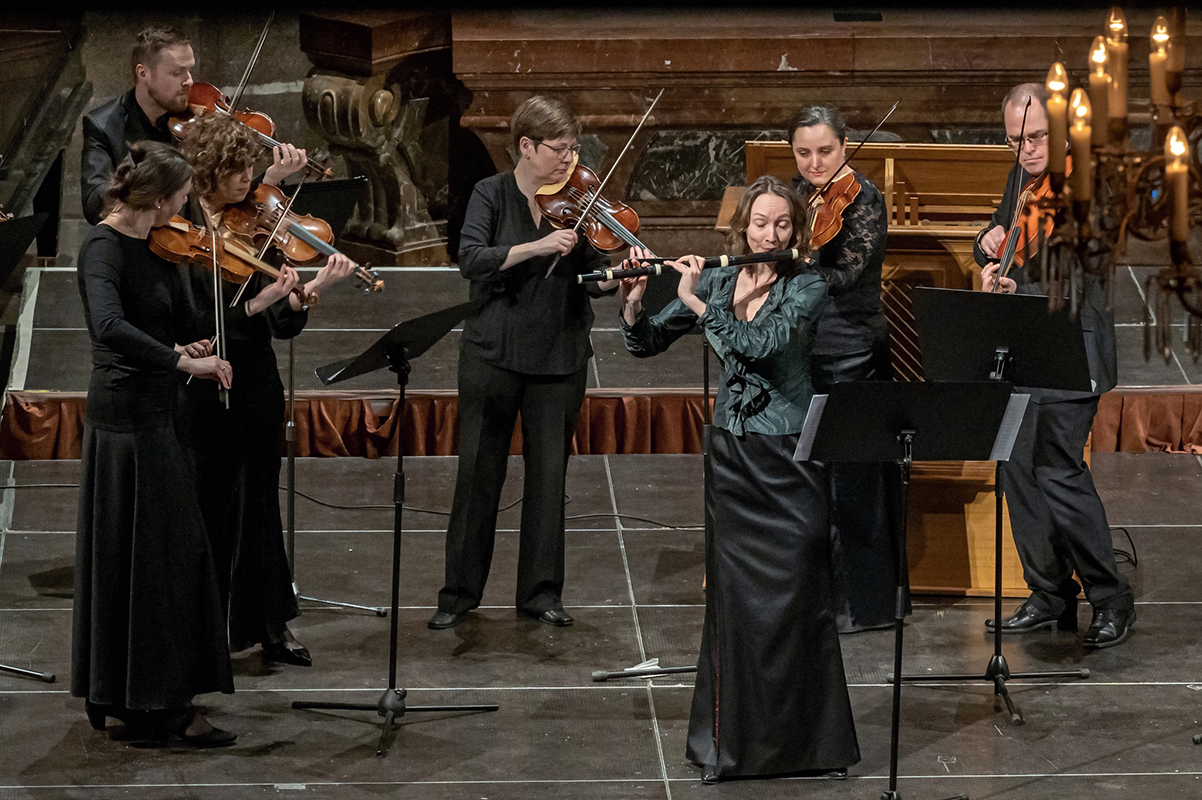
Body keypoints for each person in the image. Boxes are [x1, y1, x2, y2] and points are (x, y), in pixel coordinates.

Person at [620, 175, 859, 782]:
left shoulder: (807, 285)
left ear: (796, 231)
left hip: (790, 457)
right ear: (742, 228)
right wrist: (633, 302)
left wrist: (701, 302)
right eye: (760, 224)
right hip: (733, 459)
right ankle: (729, 749)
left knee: (801, 595)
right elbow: (648, 342)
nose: (770, 234)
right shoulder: (724, 278)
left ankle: (814, 747)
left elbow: (761, 344)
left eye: (782, 224)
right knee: (736, 607)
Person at [429, 95, 618, 630]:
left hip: (558, 357)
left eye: (574, 148)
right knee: (478, 476)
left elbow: (596, 276)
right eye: (559, 149)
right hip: (493, 355)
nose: (569, 159)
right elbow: (473, 259)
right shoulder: (490, 194)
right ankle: (458, 594)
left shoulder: (582, 202)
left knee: (548, 481)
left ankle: (541, 593)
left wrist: (619, 277)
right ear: (527, 146)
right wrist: (537, 247)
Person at [71, 140, 237, 746]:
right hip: (124, 425)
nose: (190, 209)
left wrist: (187, 348)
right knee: (156, 561)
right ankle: (158, 705)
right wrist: (177, 362)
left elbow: (162, 323)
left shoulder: (159, 247)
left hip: (157, 417)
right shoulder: (102, 245)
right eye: (185, 198)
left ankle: (142, 696)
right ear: (160, 198)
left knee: (160, 560)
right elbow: (110, 326)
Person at [176, 113, 355, 666]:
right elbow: (192, 318)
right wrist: (259, 302)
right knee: (209, 506)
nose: (247, 180)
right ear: (206, 172)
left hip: (254, 379)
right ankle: (204, 630)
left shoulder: (256, 220)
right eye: (235, 171)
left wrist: (308, 292)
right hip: (200, 382)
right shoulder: (178, 225)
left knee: (259, 506)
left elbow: (284, 325)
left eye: (250, 169)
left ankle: (271, 624)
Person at [974, 83, 1135, 648]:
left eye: (1038, 136)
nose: (1028, 148)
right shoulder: (1022, 180)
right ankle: (1049, 592)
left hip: (1072, 348)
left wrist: (1022, 280)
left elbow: (1083, 267)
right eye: (1017, 140)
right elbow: (998, 235)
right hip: (1027, 348)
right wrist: (984, 244)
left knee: (1059, 473)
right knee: (1016, 469)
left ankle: (1110, 595)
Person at [788, 105, 904, 632]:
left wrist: (798, 263)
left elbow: (850, 271)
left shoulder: (866, 200)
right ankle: (816, 598)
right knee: (809, 479)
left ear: (845, 144)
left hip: (852, 348)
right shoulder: (796, 194)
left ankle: (865, 603)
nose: (814, 162)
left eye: (825, 151)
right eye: (804, 152)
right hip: (802, 348)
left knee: (855, 480)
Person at [81, 27, 195, 226]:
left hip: (190, 243)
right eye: (177, 73)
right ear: (144, 73)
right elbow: (93, 204)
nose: (189, 81)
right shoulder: (102, 124)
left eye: (190, 70)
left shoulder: (192, 121)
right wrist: (137, 174)